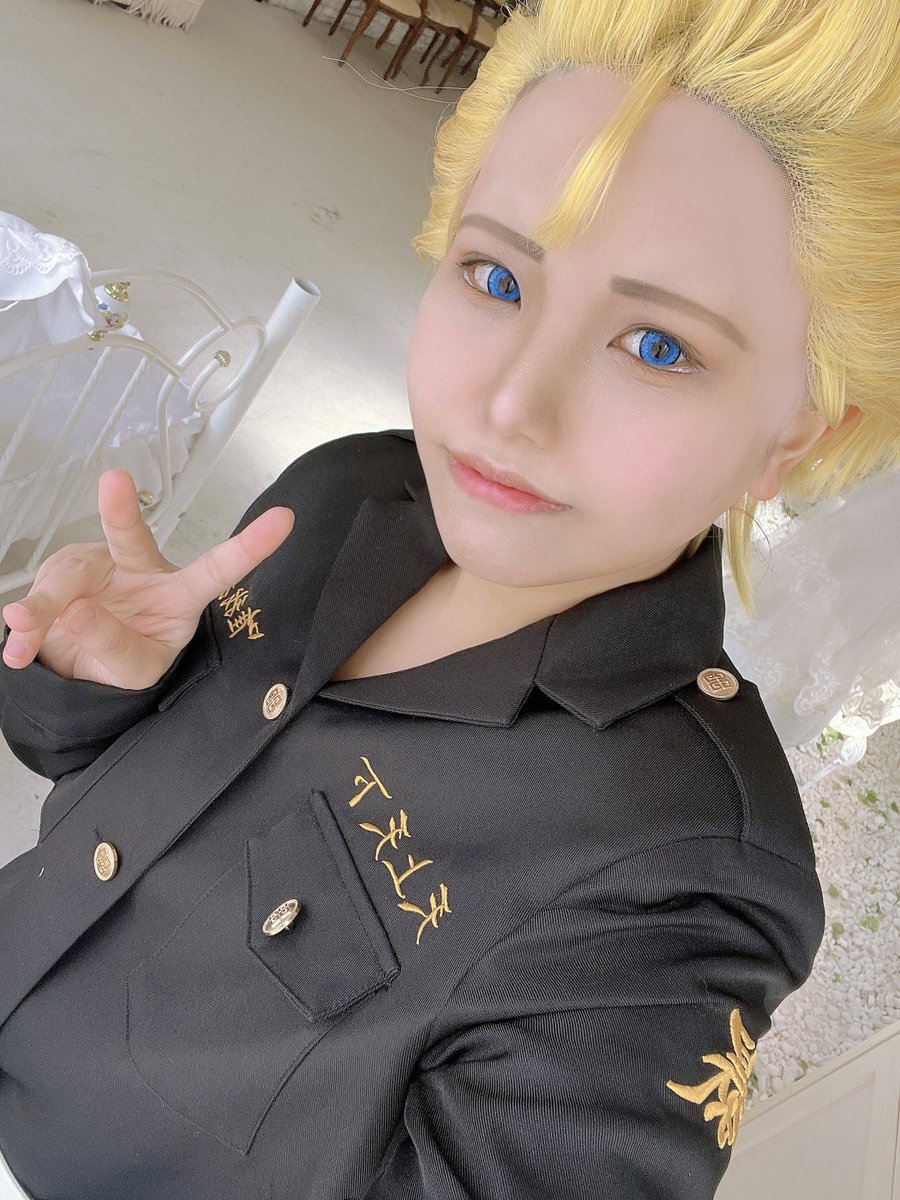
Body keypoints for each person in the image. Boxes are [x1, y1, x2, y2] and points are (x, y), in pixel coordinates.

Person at [0, 0, 897, 1196]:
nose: (511, 405)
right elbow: (112, 797)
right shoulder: (345, 490)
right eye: (497, 275)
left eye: (658, 347)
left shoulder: (678, 885)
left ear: (795, 434)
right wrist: (86, 684)